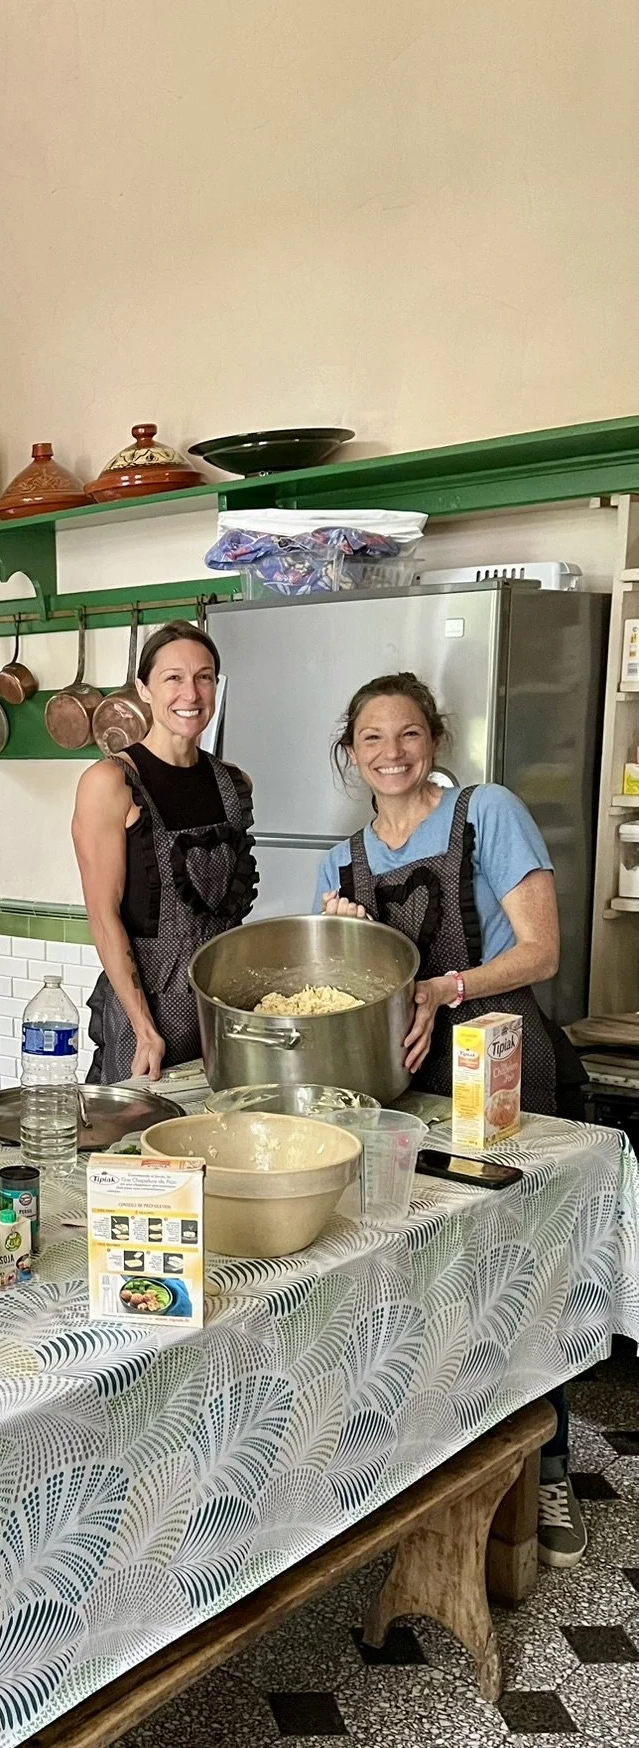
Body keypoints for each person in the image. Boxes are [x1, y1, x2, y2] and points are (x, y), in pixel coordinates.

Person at [317, 670, 584, 1566]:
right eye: (371, 740)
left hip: (501, 1068)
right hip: (404, 1089)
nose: (390, 754)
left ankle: (546, 1479)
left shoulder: (487, 812)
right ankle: (435, 1474)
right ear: (350, 753)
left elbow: (543, 950)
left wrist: (442, 986)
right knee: (432, 1279)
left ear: (434, 739)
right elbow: (348, 988)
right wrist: (348, 944)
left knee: (532, 1268)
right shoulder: (342, 859)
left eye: (408, 735)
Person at [72, 619, 257, 1083]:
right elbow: (102, 918)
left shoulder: (233, 783)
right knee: (138, 1146)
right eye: (173, 678)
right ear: (145, 690)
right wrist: (143, 1028)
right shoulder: (110, 783)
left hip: (222, 1008)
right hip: (148, 1009)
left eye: (204, 677)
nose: (190, 694)